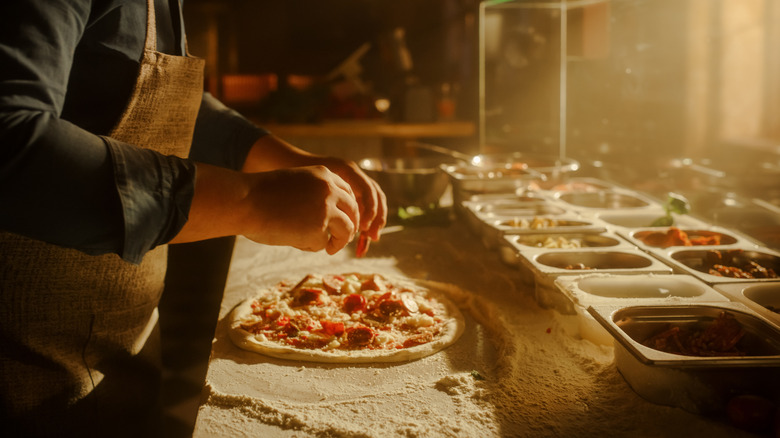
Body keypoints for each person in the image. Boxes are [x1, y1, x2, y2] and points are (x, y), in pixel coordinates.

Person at [0, 0, 387, 436]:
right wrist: (252, 201)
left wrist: (285, 159)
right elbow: (12, 142)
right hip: (25, 367)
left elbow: (169, 103)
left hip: (124, 339)